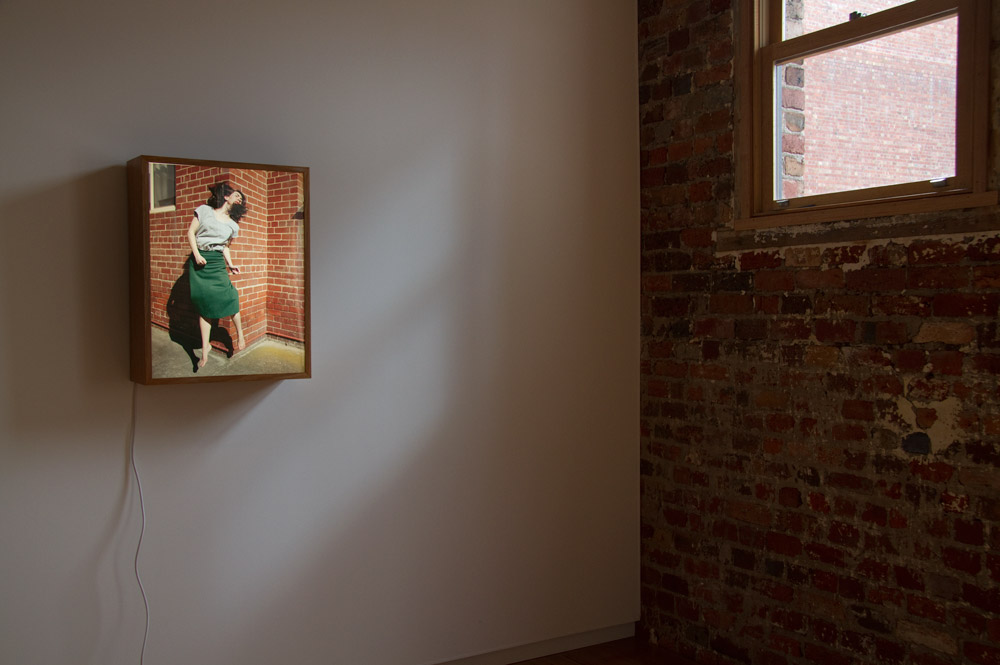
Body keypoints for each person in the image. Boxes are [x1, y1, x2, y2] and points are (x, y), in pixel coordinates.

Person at [187, 182, 248, 368]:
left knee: (231, 296)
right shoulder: (204, 211)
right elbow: (191, 232)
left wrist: (231, 265)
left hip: (216, 262)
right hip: (200, 262)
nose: (239, 199)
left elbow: (225, 247)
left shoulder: (233, 225)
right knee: (205, 305)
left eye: (242, 199)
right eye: (237, 195)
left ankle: (240, 335)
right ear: (226, 197)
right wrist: (197, 255)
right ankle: (205, 349)